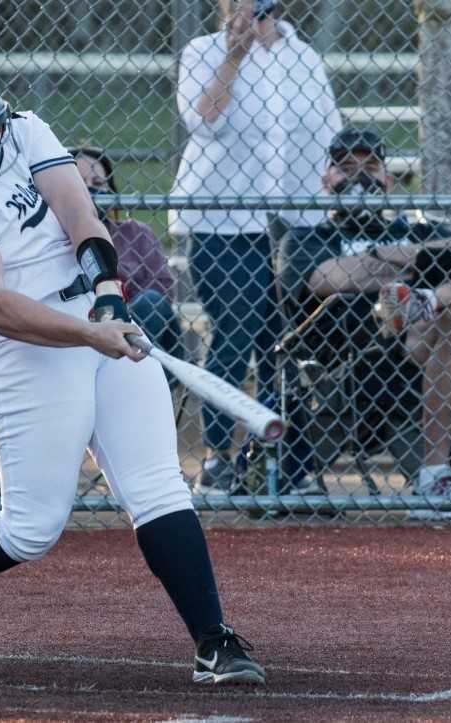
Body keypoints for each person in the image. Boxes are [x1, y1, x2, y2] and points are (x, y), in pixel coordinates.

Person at [0, 50, 264, 685]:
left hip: (93, 320)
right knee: (31, 528)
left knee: (159, 488)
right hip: (19, 347)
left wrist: (106, 292)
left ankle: (214, 641)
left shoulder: (23, 128)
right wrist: (88, 333)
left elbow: (79, 211)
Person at [279, 126, 451, 513]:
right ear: (327, 181)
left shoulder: (421, 227)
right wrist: (420, 259)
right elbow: (333, 277)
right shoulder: (307, 238)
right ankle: (435, 474)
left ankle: (428, 301)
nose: (360, 177)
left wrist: (397, 268)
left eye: (371, 166)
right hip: (366, 353)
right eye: (345, 167)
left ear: (388, 179)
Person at [169, 0, 342, 492]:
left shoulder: (301, 55)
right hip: (224, 219)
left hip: (296, 219)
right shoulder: (202, 51)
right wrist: (233, 58)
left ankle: (279, 459)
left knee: (281, 343)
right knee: (237, 332)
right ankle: (218, 458)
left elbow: (328, 129)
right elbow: (204, 121)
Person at [71, 145, 184, 361]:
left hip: (139, 322)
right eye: (80, 184)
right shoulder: (58, 239)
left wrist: (120, 305)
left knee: (149, 301)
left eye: (98, 184)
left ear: (111, 192)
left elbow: (162, 287)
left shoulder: (136, 233)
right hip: (85, 328)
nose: (90, 190)